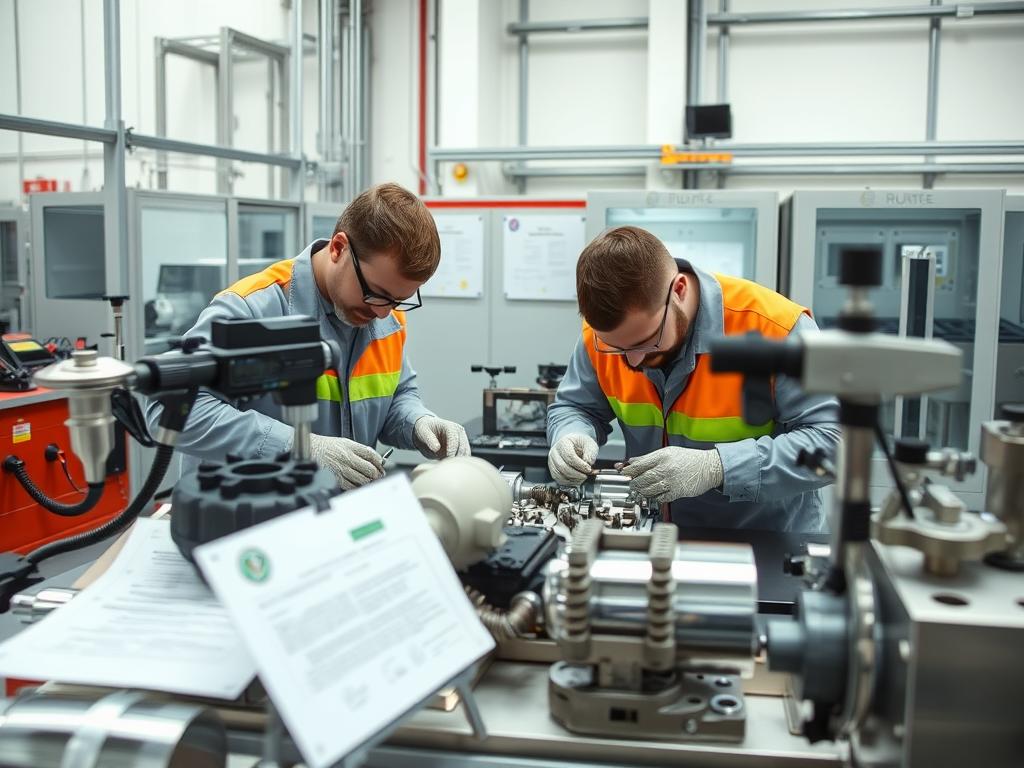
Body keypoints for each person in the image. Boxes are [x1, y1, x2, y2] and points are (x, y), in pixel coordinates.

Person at [146, 182, 469, 489]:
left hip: (334, 523)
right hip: (244, 527)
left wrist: (417, 423)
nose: (384, 312)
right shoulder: (252, 310)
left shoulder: (387, 317)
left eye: (398, 300)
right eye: (376, 293)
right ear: (339, 248)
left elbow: (396, 396)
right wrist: (296, 446)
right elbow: (165, 408)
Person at [546, 226, 839, 532]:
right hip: (658, 535)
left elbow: (833, 444)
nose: (632, 361)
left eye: (647, 341)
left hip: (767, 543)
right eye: (617, 349)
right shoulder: (604, 336)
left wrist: (717, 467)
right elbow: (575, 407)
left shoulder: (775, 330)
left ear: (679, 291)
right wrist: (570, 435)